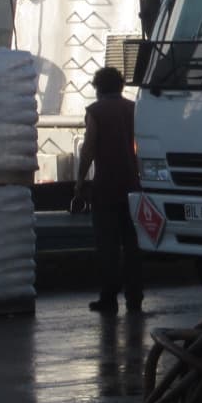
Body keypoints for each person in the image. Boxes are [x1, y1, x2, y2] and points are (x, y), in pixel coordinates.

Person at [73, 66, 144, 314]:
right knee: (133, 244)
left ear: (98, 87)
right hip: (133, 187)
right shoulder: (134, 109)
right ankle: (135, 298)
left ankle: (109, 297)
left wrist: (80, 181)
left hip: (106, 187)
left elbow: (89, 149)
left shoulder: (96, 111)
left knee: (108, 245)